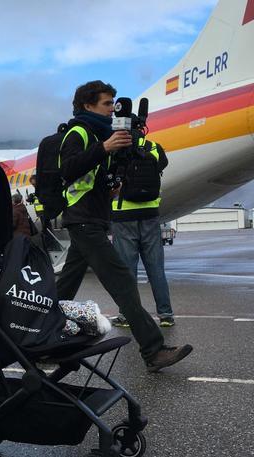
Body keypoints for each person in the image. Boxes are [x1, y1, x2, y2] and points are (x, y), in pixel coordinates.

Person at [54, 80, 192, 372]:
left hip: (90, 219)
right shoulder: (78, 132)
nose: (111, 110)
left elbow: (91, 179)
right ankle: (153, 351)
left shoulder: (99, 134)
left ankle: (35, 326)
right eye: (106, 104)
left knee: (65, 285)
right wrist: (104, 148)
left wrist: (111, 187)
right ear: (87, 105)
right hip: (83, 220)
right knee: (123, 283)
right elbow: (67, 170)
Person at [110, 138, 176, 328]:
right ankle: (166, 315)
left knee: (127, 271)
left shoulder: (116, 145)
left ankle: (127, 315)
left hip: (124, 217)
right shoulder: (154, 146)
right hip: (150, 214)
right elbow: (162, 164)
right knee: (156, 268)